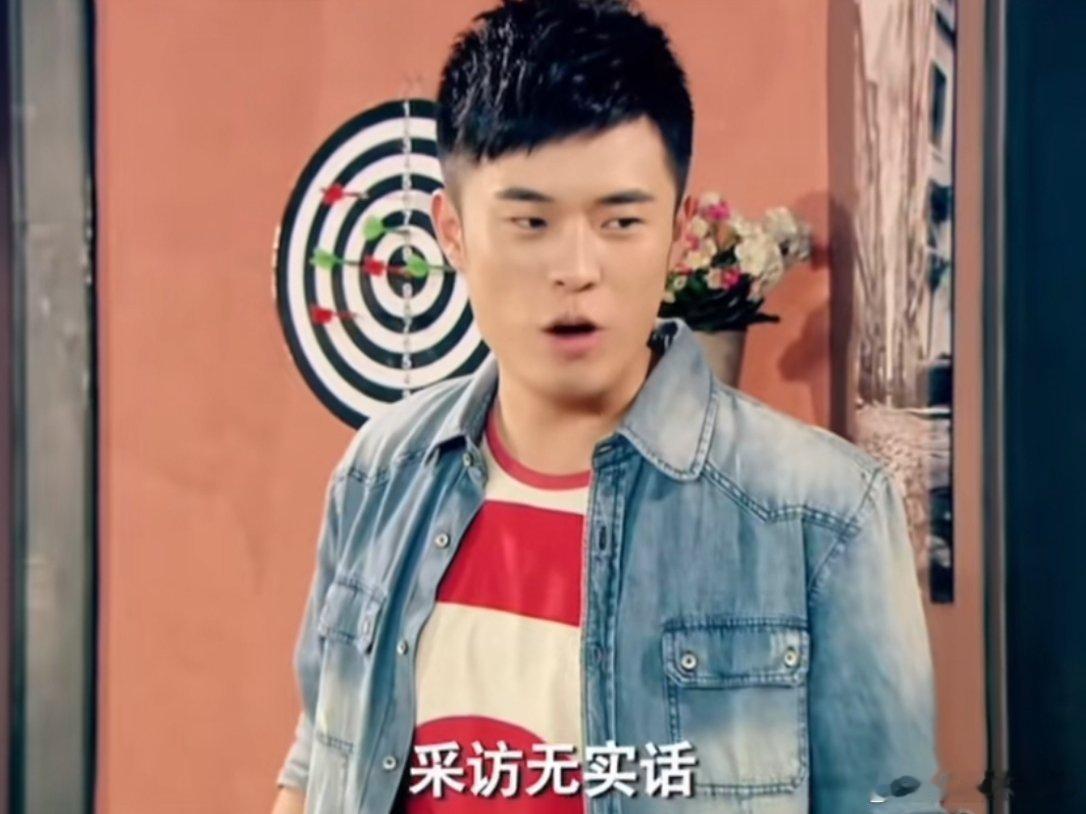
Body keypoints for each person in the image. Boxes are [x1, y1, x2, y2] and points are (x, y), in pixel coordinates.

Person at [271, 0, 945, 811]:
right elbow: (317, 760)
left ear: (678, 233)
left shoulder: (822, 512)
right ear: (451, 231)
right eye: (530, 221)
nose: (577, 269)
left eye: (621, 221)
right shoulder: (379, 475)